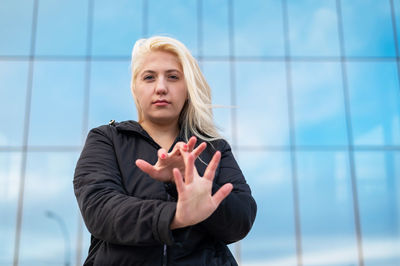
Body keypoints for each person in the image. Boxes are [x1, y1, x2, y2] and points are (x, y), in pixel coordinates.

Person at [73, 36, 257, 266]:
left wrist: (191, 183)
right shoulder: (106, 139)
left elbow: (241, 220)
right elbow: (100, 210)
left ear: (188, 88)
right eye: (149, 77)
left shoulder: (214, 148)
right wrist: (176, 216)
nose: (161, 88)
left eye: (173, 77)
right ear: (136, 88)